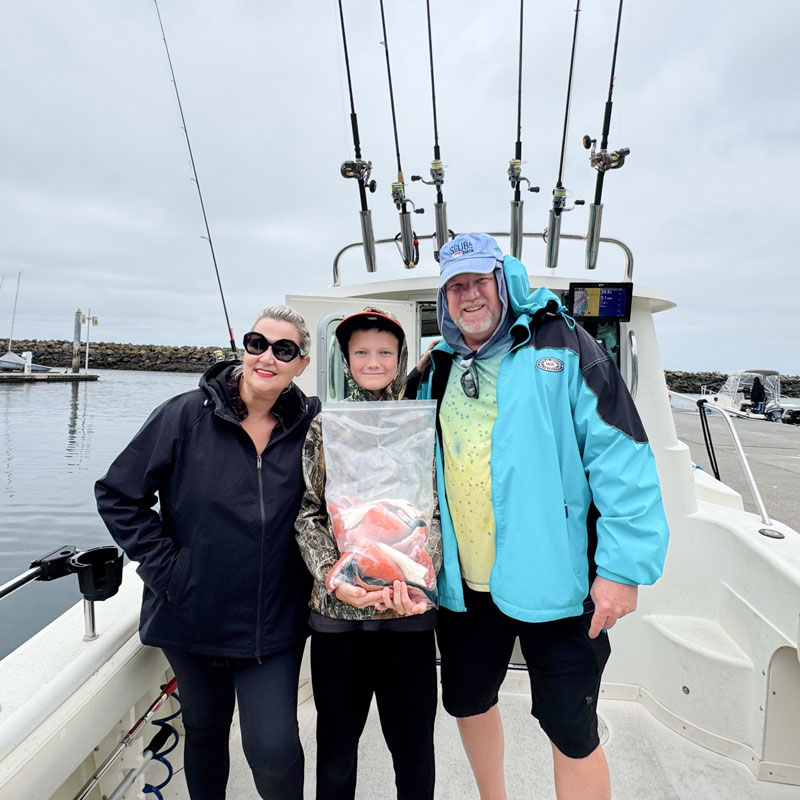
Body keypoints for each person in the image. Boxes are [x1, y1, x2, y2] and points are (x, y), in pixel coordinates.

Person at [409, 233, 670, 800]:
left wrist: (622, 570)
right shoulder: (438, 367)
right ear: (443, 298)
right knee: (469, 701)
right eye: (455, 286)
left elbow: (622, 459)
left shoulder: (566, 344)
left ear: (506, 283)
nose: (468, 295)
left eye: (480, 281)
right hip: (466, 587)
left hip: (560, 581)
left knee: (571, 728)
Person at [95, 305, 319, 800]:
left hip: (275, 623)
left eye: (283, 350)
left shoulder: (312, 428)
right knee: (204, 732)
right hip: (191, 617)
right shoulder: (183, 415)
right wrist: (170, 571)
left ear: (301, 364)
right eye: (257, 343)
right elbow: (118, 494)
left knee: (274, 748)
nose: (266, 357)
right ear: (244, 348)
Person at [295, 308, 442, 800]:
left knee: (414, 752)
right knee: (335, 754)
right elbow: (309, 512)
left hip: (409, 613)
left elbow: (437, 513)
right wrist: (332, 578)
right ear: (345, 358)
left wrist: (422, 577)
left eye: (385, 352)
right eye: (361, 352)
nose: (373, 362)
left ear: (401, 358)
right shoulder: (325, 424)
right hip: (338, 615)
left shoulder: (424, 421)